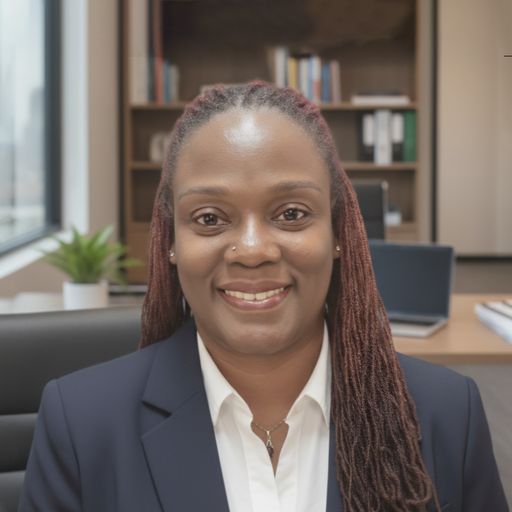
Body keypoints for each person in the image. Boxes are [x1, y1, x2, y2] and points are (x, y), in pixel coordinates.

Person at [19, 82, 508, 512]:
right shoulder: (80, 424)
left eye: (291, 213)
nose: (252, 251)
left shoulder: (445, 413)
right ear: (170, 241)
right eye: (210, 218)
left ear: (338, 232)